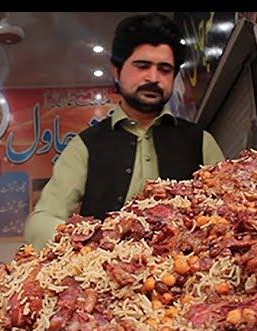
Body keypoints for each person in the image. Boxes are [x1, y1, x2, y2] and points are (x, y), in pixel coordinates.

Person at [25, 13, 225, 249]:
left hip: (190, 279)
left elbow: (227, 211)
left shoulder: (200, 141)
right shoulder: (86, 145)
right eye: (142, 66)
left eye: (164, 69)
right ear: (116, 71)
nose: (153, 77)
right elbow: (42, 219)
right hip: (104, 277)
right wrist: (87, 249)